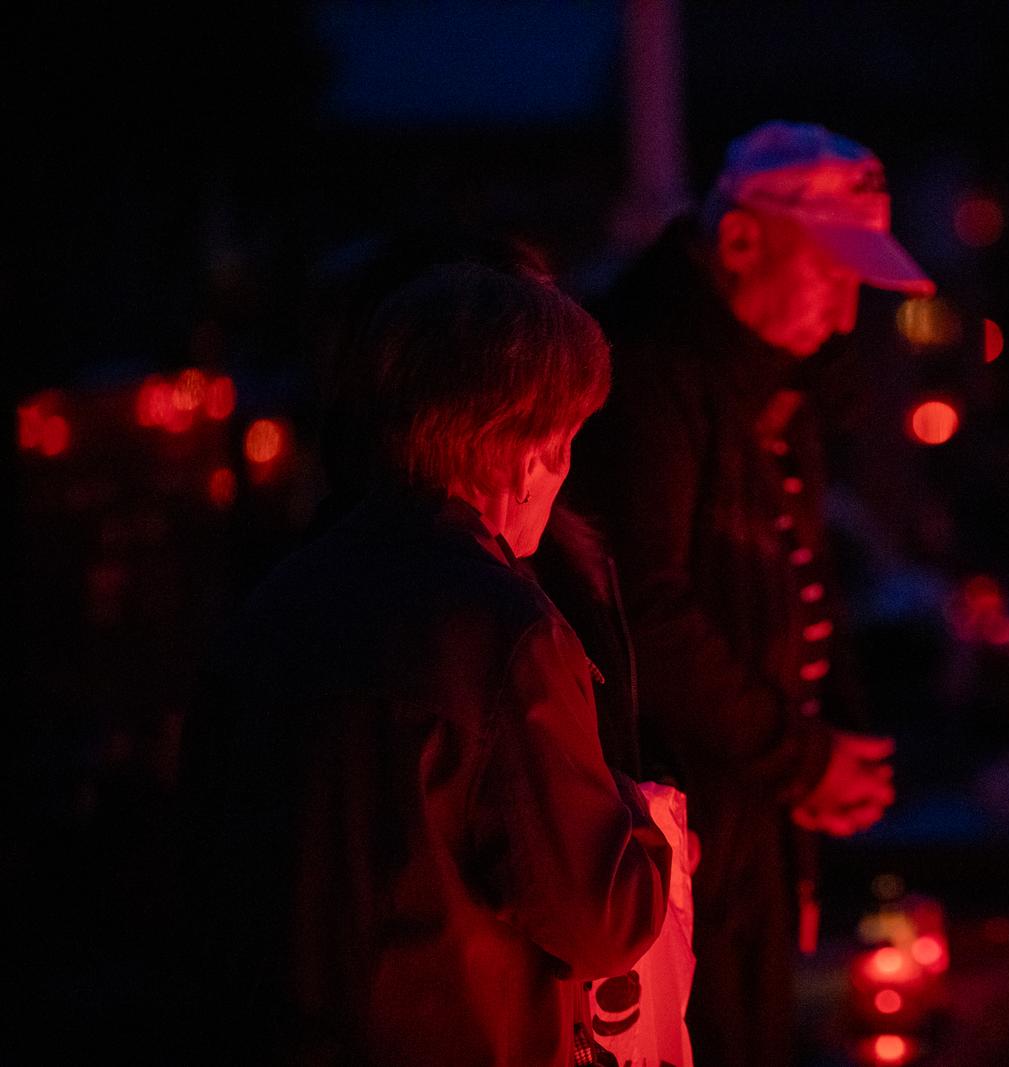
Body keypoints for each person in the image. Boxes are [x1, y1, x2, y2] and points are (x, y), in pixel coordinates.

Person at [179, 262, 671, 1065]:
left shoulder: (277, 601)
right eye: (571, 440)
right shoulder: (508, 635)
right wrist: (641, 821)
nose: (570, 471)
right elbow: (598, 918)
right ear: (526, 450)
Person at [567, 120, 935, 1066]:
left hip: (748, 808)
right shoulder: (648, 381)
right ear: (739, 243)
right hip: (677, 823)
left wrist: (830, 735)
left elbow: (795, 572)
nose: (847, 316)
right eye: (833, 274)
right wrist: (799, 754)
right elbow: (643, 607)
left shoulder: (765, 388)